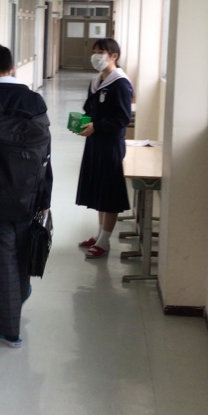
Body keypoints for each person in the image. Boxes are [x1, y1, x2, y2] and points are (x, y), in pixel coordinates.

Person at [0, 43, 52, 348]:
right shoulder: (35, 100)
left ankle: (9, 329)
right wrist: (45, 196)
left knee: (3, 257)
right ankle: (20, 292)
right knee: (23, 247)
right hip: (30, 192)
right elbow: (46, 153)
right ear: (12, 67)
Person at [76, 38, 133, 259]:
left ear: (113, 56)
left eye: (101, 52)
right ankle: (100, 234)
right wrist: (83, 122)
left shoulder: (120, 83)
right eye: (94, 51)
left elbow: (122, 118)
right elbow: (89, 108)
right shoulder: (97, 81)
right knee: (99, 189)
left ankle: (104, 241)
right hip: (95, 142)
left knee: (109, 193)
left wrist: (97, 126)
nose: (96, 56)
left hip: (110, 145)